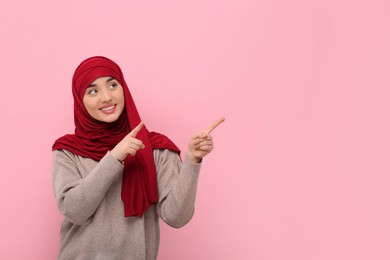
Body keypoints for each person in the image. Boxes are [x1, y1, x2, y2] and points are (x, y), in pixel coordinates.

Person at [51, 56, 224, 260]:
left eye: (113, 85)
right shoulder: (68, 150)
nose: (106, 97)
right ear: (80, 101)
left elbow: (177, 217)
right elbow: (74, 210)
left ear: (123, 88)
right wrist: (114, 157)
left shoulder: (156, 148)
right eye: (93, 91)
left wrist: (193, 161)